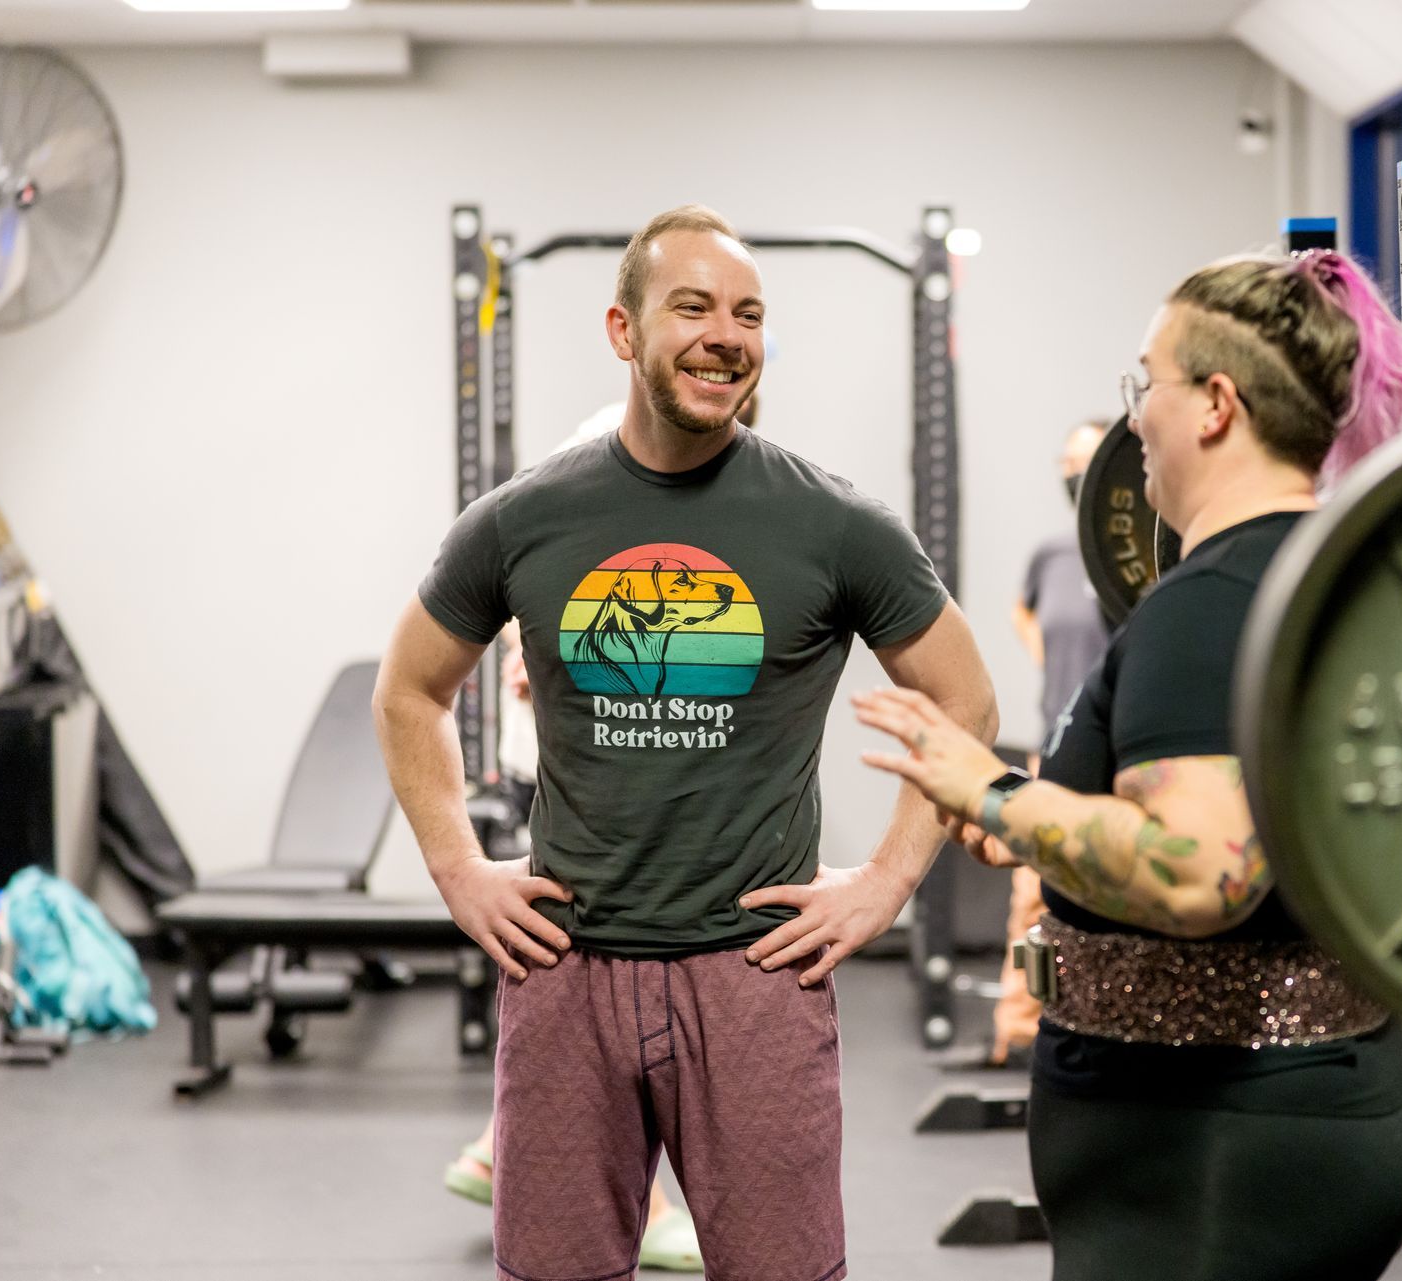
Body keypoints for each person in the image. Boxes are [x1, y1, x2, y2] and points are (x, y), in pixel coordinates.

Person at [375, 204, 996, 1281]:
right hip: (566, 968)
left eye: (749, 313)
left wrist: (888, 881)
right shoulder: (523, 521)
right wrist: (456, 869)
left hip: (754, 972)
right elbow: (407, 692)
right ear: (625, 332)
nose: (727, 334)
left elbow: (967, 702)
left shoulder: (835, 524)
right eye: (694, 307)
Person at [854, 248, 1402, 1281]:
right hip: (1300, 1111)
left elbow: (1201, 868)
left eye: (1146, 386)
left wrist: (989, 786)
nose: (1135, 424)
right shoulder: (1329, 578)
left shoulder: (1209, 603)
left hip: (1214, 1148)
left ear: (1215, 404)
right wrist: (1043, 819)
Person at [439, 383, 762, 1273]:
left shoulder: (749, 493)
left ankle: (496, 1146)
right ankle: (625, 1192)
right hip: (568, 785)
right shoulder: (605, 465)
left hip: (608, 784)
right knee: (591, 996)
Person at [983, 419, 1112, 1067]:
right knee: (1032, 892)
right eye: (1065, 460)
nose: (1072, 472)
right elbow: (1022, 610)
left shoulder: (1131, 556)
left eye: (1084, 460)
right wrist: (1050, 664)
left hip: (1117, 752)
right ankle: (1017, 1027)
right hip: (1052, 746)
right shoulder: (1052, 553)